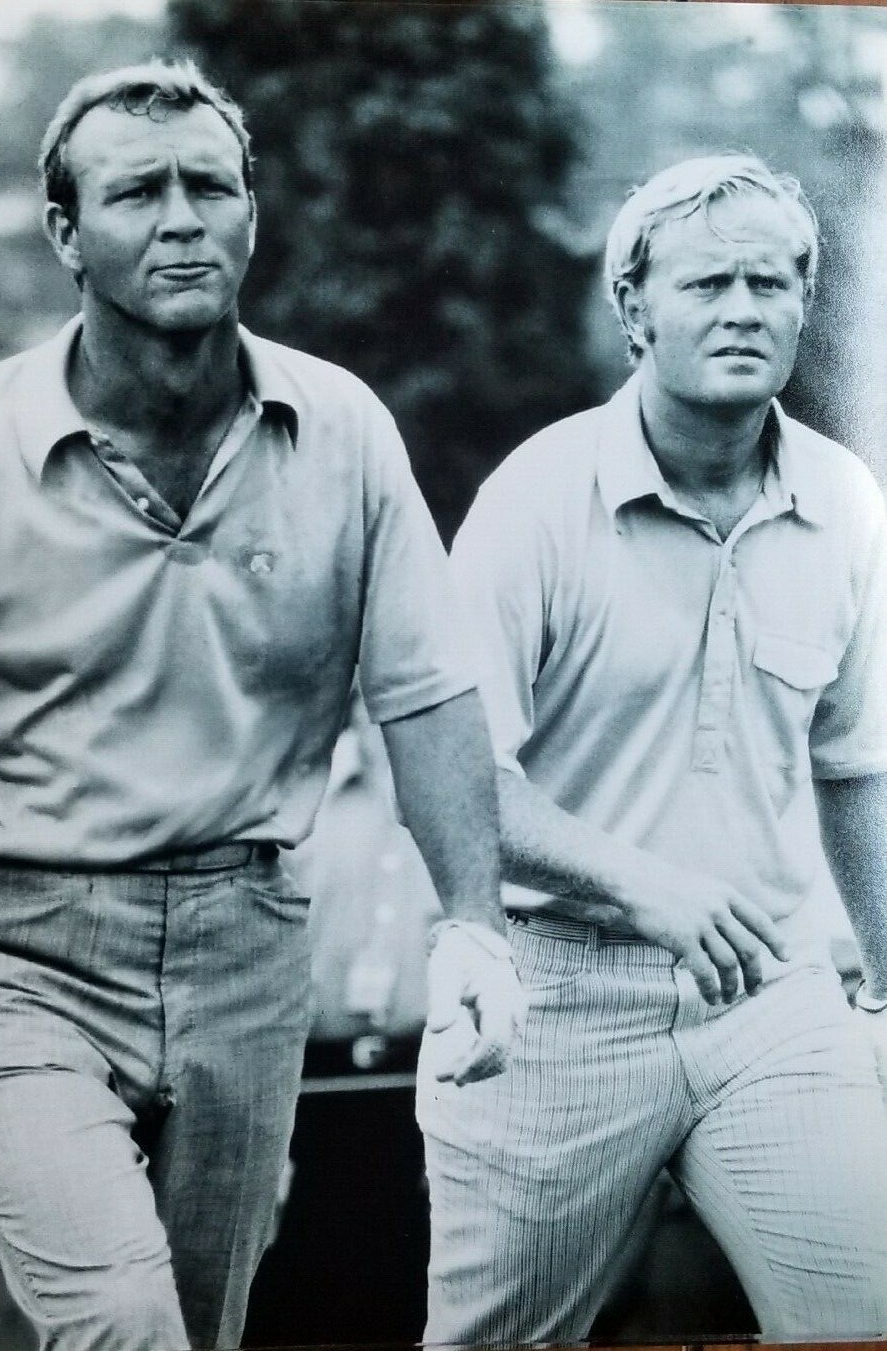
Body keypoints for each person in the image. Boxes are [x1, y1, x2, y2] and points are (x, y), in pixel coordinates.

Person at [0, 59, 525, 1351]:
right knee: (122, 1318)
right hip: (8, 944)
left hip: (244, 940)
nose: (182, 218)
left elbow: (424, 693)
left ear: (252, 213)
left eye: (210, 186)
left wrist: (475, 926)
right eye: (138, 192)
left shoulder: (341, 430)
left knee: (199, 1329)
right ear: (65, 233)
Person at [418, 154, 887, 1346]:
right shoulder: (537, 496)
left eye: (770, 283)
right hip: (550, 1001)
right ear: (633, 308)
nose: (742, 309)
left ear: (804, 303)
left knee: (864, 1318)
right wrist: (642, 883)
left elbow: (857, 767)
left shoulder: (845, 500)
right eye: (706, 283)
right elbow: (453, 773)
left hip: (769, 995)